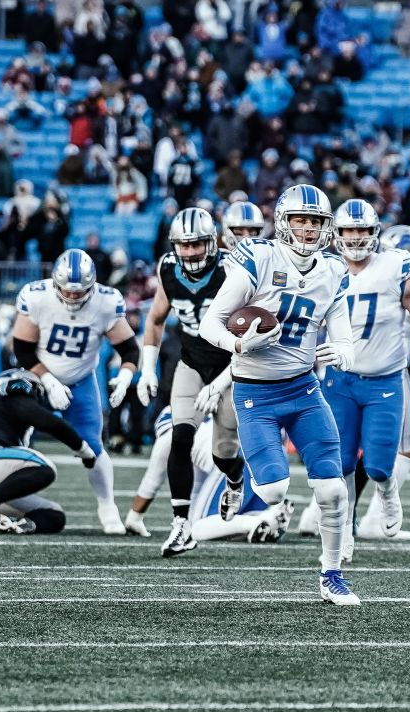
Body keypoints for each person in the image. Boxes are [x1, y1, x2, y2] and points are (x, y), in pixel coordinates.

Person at [199, 184, 360, 606]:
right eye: (301, 220)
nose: (308, 229)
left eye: (317, 222)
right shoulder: (259, 258)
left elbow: (342, 327)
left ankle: (332, 576)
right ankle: (242, 474)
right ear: (284, 221)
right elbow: (210, 322)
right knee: (272, 491)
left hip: (305, 389)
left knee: (332, 491)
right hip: (255, 393)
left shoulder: (332, 268)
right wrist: (236, 346)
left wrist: (344, 349)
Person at [316, 200, 410, 559]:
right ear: (336, 234)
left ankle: (388, 494)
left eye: (362, 230)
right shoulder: (322, 267)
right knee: (339, 465)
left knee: (377, 465)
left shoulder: (395, 265)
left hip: (383, 380)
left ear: (374, 233)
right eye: (348, 231)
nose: (355, 238)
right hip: (339, 380)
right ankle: (343, 532)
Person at [137, 208, 247, 557]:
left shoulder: (234, 268)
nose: (189, 253)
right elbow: (155, 319)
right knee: (179, 437)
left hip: (232, 365)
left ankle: (235, 479)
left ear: (211, 241)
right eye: (182, 245)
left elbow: (253, 331)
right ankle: (181, 525)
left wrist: (222, 382)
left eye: (196, 244)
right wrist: (148, 368)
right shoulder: (168, 268)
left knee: (223, 451)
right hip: (192, 362)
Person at [10, 249, 140, 535]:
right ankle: (8, 498)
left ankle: (107, 506)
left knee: (92, 447)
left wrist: (125, 375)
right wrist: (48, 381)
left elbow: (129, 349)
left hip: (80, 380)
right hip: (36, 378)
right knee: (15, 441)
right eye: (66, 291)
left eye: (79, 292)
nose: (71, 297)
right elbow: (21, 348)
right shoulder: (36, 296)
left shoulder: (106, 302)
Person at [0, 369, 95, 535]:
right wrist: (83, 449)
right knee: (44, 468)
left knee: (54, 515)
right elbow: (41, 418)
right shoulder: (17, 385)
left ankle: (15, 525)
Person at [126, 406, 295, 543]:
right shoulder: (208, 413)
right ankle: (265, 518)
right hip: (270, 453)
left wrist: (133, 519)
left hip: (237, 460)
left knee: (198, 528)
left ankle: (258, 521)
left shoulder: (172, 434)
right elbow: (197, 486)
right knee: (222, 518)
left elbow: (151, 482)